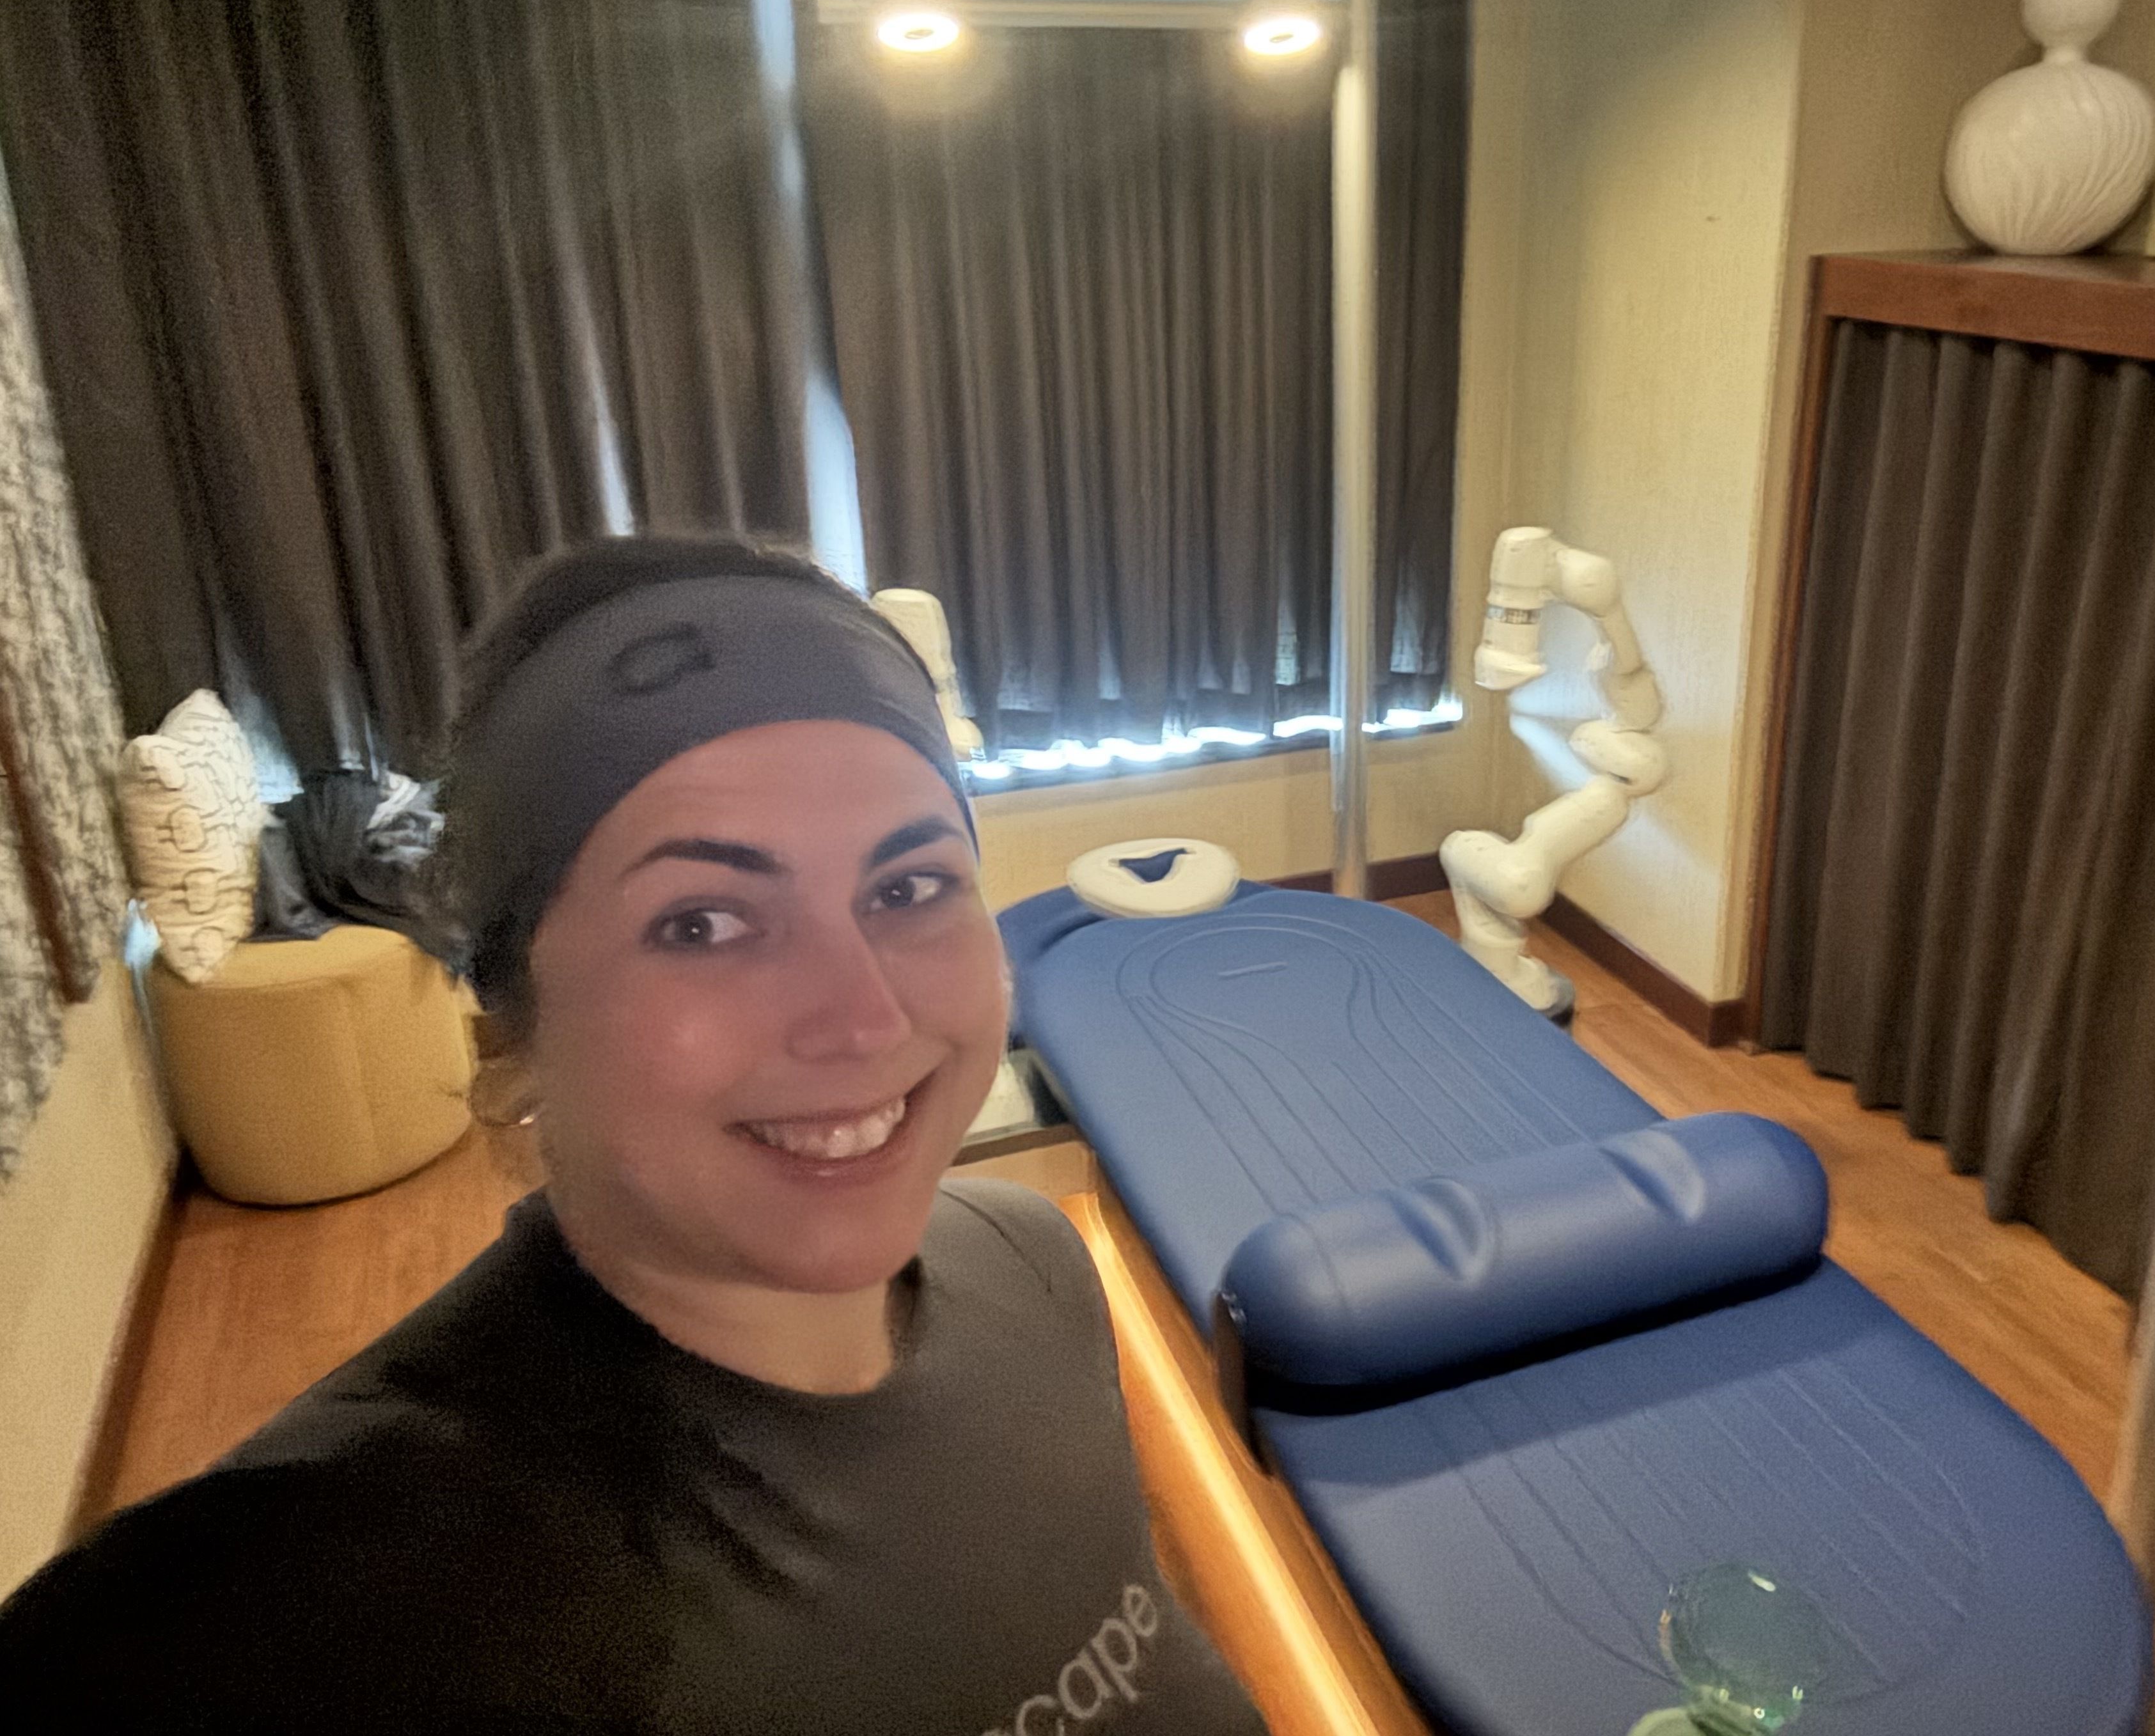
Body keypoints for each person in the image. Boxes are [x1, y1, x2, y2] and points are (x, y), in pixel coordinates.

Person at [0, 536, 1269, 1735]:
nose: (862, 1017)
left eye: (908, 887)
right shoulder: (336, 1589)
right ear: (509, 1024)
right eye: (704, 923)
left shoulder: (1037, 1263)